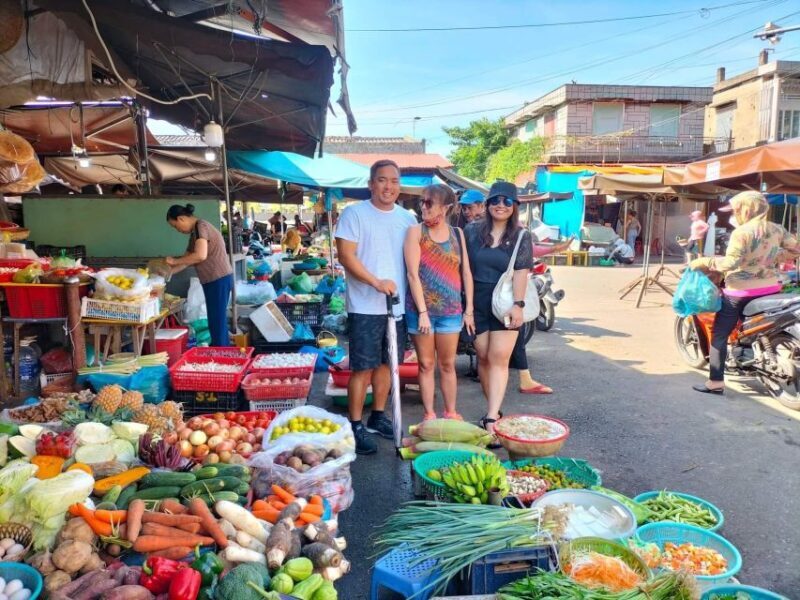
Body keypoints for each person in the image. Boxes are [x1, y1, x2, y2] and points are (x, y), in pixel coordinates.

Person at [335, 160, 417, 455]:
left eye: (394, 181)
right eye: (382, 180)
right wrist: (375, 282)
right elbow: (346, 255)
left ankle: (378, 415)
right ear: (371, 184)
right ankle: (355, 424)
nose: (388, 187)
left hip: (395, 307)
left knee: (388, 363)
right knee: (362, 367)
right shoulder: (354, 214)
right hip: (364, 306)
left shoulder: (408, 219)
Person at [690, 191, 800, 395]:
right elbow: (796, 249)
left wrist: (704, 262)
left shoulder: (741, 233)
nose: (735, 214)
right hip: (771, 288)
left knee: (719, 334)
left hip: (740, 292)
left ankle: (715, 382)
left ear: (746, 209)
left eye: (737, 209)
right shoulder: (777, 229)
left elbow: (730, 263)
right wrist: (773, 258)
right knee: (749, 329)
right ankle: (746, 352)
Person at [464, 181, 534, 436]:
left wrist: (518, 304)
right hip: (477, 299)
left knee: (498, 358)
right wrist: (468, 307)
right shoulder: (471, 232)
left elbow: (521, 272)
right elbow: (464, 269)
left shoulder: (521, 235)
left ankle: (491, 418)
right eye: (495, 200)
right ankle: (493, 408)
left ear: (514, 206)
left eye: (507, 201)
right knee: (483, 356)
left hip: (505, 301)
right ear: (487, 204)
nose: (500, 205)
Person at [405, 184, 475, 421]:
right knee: (425, 364)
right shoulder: (415, 232)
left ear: (445, 208)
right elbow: (412, 274)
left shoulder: (458, 234)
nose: (423, 207)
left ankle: (451, 412)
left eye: (429, 203)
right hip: (420, 311)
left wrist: (469, 311)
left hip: (451, 311)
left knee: (447, 364)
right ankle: (429, 414)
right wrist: (423, 311)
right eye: (422, 202)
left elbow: (466, 273)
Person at [165, 204, 233, 347]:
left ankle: (222, 354)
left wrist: (174, 261)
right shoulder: (195, 234)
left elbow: (200, 256)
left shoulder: (201, 227)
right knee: (215, 320)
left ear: (181, 218)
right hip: (213, 280)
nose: (178, 230)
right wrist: (168, 272)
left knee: (217, 321)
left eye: (176, 226)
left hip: (218, 278)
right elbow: (188, 260)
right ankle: (221, 351)